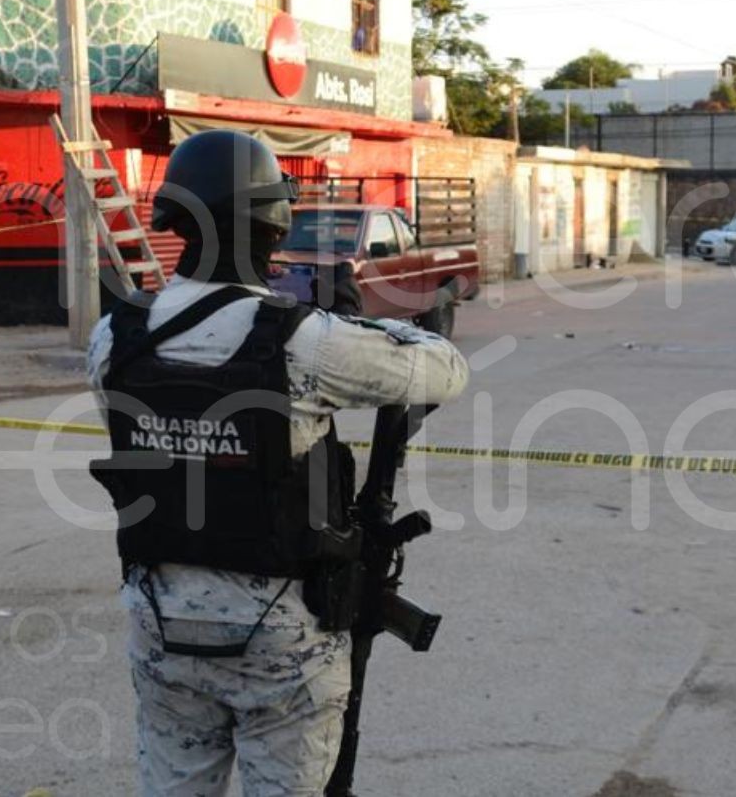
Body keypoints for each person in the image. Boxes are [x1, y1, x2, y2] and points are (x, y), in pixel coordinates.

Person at [86, 130, 469, 797]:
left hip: (161, 625)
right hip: (283, 650)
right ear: (272, 224)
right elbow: (445, 368)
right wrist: (372, 325)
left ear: (174, 220)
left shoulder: (113, 339)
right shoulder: (304, 342)